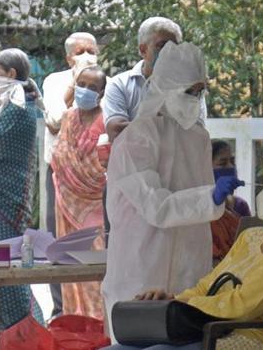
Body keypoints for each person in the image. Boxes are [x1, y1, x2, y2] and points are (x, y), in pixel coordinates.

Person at [104, 158, 263, 350]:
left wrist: (183, 307)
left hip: (252, 340)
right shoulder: (251, 237)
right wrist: (172, 300)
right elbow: (206, 287)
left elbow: (242, 305)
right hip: (210, 330)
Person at [101, 41, 243, 341]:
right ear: (167, 87)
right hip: (141, 266)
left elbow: (203, 206)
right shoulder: (135, 140)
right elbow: (157, 207)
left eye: (200, 91)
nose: (196, 98)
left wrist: (214, 199)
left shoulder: (198, 138)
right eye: (190, 91)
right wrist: (211, 197)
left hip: (191, 268)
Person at [0, 48, 44, 328]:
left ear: (11, 74)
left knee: (7, 270)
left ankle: (29, 330)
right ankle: (6, 335)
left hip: (6, 198)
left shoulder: (19, 109)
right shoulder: (10, 103)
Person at [42, 31, 99, 318]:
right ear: (68, 57)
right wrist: (75, 86)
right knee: (60, 241)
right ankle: (61, 310)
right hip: (61, 177)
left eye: (91, 50)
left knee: (97, 241)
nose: (86, 56)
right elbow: (53, 121)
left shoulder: (108, 83)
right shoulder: (54, 81)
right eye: (80, 51)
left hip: (95, 180)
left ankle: (97, 309)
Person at [50, 66, 108, 319]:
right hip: (66, 203)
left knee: (95, 268)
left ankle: (99, 327)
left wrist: (83, 172)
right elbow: (60, 156)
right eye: (81, 84)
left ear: (102, 92)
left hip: (95, 206)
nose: (85, 90)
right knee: (69, 268)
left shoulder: (106, 121)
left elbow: (102, 167)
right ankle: (76, 324)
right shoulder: (68, 118)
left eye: (92, 87)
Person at [102, 17, 207, 142]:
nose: (170, 52)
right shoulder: (119, 84)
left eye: (175, 46)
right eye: (161, 46)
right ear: (143, 50)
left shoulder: (190, 87)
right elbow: (116, 132)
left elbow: (196, 133)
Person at [210, 140, 251, 264]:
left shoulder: (240, 206)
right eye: (223, 163)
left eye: (232, 162)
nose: (231, 167)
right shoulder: (198, 211)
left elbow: (249, 244)